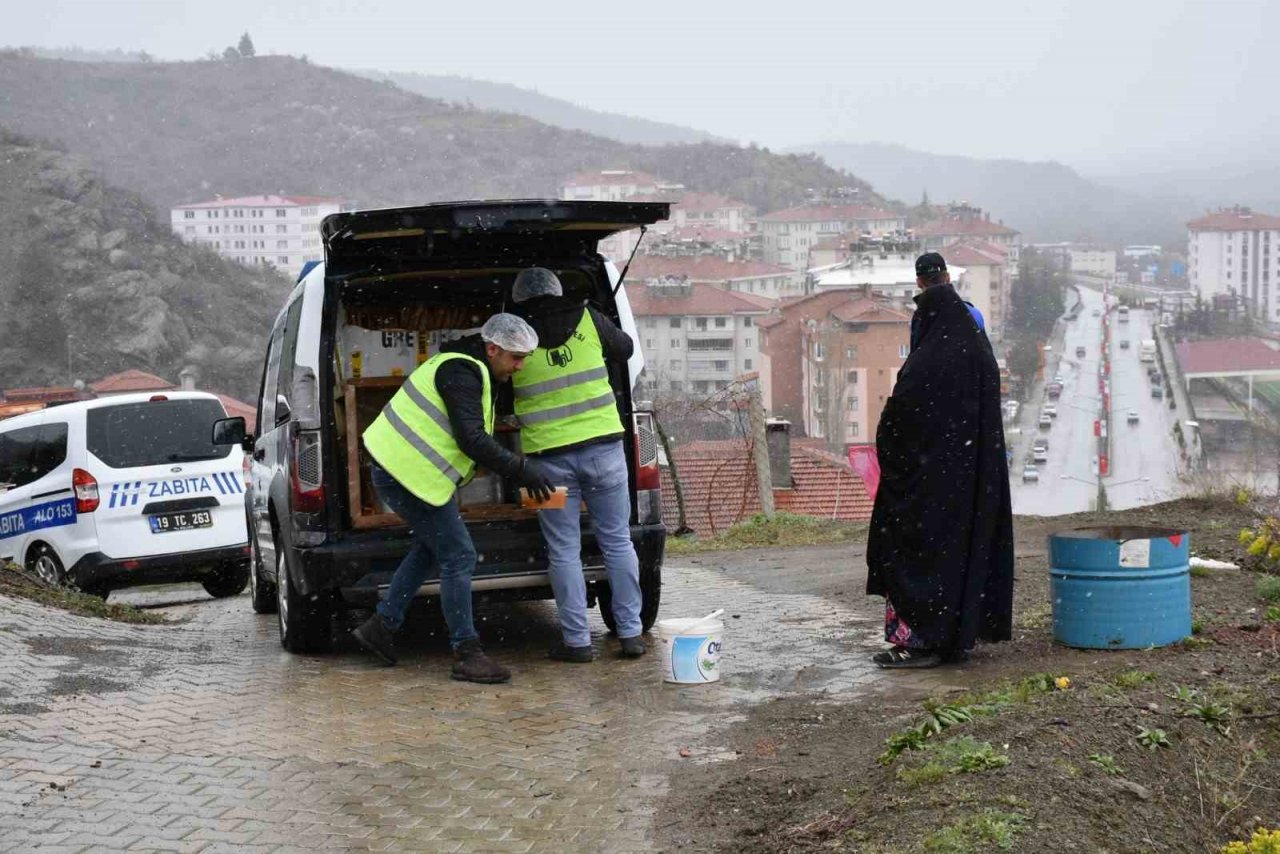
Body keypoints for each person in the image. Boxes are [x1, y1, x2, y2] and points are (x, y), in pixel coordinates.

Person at [352, 313, 556, 683]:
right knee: (459, 554)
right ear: (492, 348)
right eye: (515, 357)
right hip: (404, 474)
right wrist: (523, 469)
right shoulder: (461, 372)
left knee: (434, 548)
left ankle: (382, 625)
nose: (520, 366)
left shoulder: (472, 369)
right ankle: (467, 652)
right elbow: (472, 440)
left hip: (408, 474)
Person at [865, 252, 1014, 668]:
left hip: (932, 481)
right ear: (947, 278)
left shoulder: (930, 351)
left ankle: (923, 640)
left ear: (919, 286)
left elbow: (905, 413)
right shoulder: (973, 334)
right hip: (969, 476)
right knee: (959, 550)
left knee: (918, 551)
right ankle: (955, 634)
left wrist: (896, 444)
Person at [509, 267, 646, 662]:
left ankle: (577, 643)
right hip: (604, 451)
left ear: (519, 299)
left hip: (545, 465)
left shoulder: (515, 335)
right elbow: (625, 349)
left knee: (562, 549)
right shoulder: (589, 318)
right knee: (617, 541)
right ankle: (631, 633)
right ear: (557, 290)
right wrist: (598, 318)